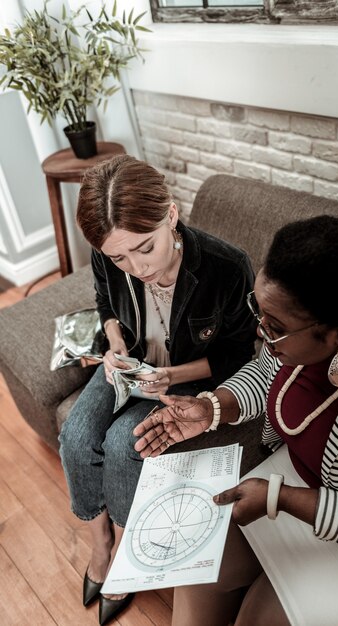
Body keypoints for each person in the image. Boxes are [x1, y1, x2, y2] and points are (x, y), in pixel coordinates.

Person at [134, 215, 338, 626]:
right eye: (259, 311)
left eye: (275, 327)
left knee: (254, 620)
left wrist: (279, 498)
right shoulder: (309, 316)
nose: (260, 330)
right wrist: (212, 408)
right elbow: (268, 372)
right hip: (291, 482)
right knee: (197, 563)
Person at [58, 155, 256, 625]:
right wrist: (114, 344)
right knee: (76, 434)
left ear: (171, 214)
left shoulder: (228, 267)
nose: (136, 266)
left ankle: (125, 550)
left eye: (144, 249)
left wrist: (172, 376)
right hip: (130, 364)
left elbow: (236, 356)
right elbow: (106, 300)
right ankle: (101, 543)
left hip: (185, 375)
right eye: (119, 257)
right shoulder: (111, 250)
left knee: (124, 444)